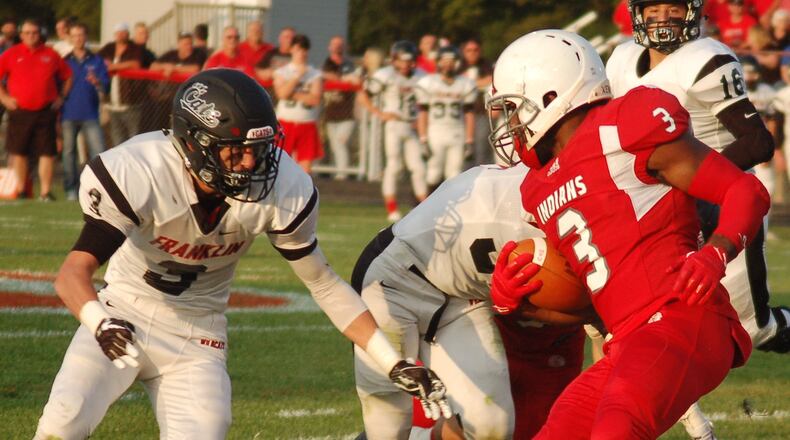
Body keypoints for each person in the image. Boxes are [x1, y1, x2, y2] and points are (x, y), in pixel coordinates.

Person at [33, 68, 450, 439]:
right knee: (62, 423)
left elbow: (323, 285)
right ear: (195, 143)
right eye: (236, 150)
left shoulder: (284, 187)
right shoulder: (140, 170)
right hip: (121, 312)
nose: (250, 163)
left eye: (259, 148)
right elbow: (72, 274)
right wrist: (100, 323)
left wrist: (392, 361)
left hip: (197, 333)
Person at [487, 29, 767, 439]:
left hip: (682, 314)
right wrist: (517, 305)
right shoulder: (537, 187)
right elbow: (590, 308)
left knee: (618, 426)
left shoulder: (621, 127)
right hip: (626, 341)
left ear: (550, 94)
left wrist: (715, 253)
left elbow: (746, 191)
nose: (511, 124)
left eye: (514, 109)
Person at [351, 162, 586, 439]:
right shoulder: (555, 198)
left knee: (491, 427)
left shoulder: (565, 192)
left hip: (463, 296)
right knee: (389, 430)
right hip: (395, 280)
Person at [607, 0, 789, 351]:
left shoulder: (705, 59)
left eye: (673, 8)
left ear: (691, 12)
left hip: (722, 204)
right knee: (645, 316)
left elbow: (758, 142)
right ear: (637, 14)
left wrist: (690, 181)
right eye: (653, 9)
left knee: (750, 331)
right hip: (655, 206)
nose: (663, 18)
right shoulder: (621, 59)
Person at [0, 18, 72, 201]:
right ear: (21, 35)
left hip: (45, 110)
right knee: (19, 151)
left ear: (39, 34)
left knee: (47, 152)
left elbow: (68, 76)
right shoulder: (11, 54)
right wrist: (4, 98)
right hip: (20, 110)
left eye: (34, 32)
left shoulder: (51, 54)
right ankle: (21, 189)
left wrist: (61, 98)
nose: (31, 36)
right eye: (27, 33)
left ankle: (45, 191)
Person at [359, 41, 428, 222]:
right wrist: (380, 113)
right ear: (394, 60)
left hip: (412, 125)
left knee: (419, 168)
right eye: (402, 60)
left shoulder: (421, 76)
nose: (406, 65)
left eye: (409, 61)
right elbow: (363, 95)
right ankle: (392, 208)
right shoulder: (386, 75)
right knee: (394, 166)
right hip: (394, 125)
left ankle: (424, 207)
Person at [416, 45, 476, 192]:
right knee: (433, 172)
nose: (448, 64)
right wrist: (423, 138)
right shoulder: (428, 82)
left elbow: (469, 113)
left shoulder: (466, 83)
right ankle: (428, 204)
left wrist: (469, 140)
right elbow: (423, 113)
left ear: (457, 62)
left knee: (455, 174)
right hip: (435, 131)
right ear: (438, 62)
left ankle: (451, 204)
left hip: (457, 131)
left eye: (451, 61)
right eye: (445, 60)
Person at [62, 23, 109, 201]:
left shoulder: (97, 60)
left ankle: (99, 188)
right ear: (70, 38)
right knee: (69, 153)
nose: (78, 39)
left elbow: (106, 87)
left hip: (90, 114)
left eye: (81, 35)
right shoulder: (65, 61)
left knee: (98, 152)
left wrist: (98, 82)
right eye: (74, 35)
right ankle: (70, 189)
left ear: (86, 36)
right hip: (69, 113)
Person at [273, 34, 323, 174]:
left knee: (305, 168)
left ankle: (304, 188)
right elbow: (281, 94)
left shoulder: (315, 73)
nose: (301, 53)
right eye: (298, 49)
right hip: (286, 122)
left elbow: (315, 99)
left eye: (304, 49)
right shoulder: (282, 71)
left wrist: (291, 93)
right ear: (292, 50)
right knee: (280, 163)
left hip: (307, 122)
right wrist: (297, 77)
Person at [98, 22, 144, 147]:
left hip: (130, 102)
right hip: (112, 103)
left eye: (123, 33)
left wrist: (113, 66)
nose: (121, 35)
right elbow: (97, 60)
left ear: (128, 34)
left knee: (134, 138)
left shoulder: (134, 48)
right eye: (118, 33)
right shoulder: (109, 48)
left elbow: (136, 64)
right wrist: (106, 63)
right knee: (117, 138)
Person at [322, 35, 361, 180]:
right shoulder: (327, 63)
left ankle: (342, 174)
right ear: (329, 47)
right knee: (334, 145)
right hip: (331, 112)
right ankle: (336, 172)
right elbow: (323, 75)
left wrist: (339, 78)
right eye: (334, 44)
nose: (337, 47)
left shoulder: (348, 65)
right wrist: (339, 78)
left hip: (347, 114)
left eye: (340, 44)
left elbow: (354, 79)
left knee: (340, 142)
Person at [459, 38, 494, 166]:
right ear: (463, 52)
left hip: (481, 113)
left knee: (481, 149)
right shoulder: (457, 66)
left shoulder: (487, 65)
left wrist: (469, 83)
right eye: (469, 50)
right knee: (461, 152)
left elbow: (492, 80)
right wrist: (478, 83)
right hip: (460, 115)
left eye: (476, 50)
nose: (472, 53)